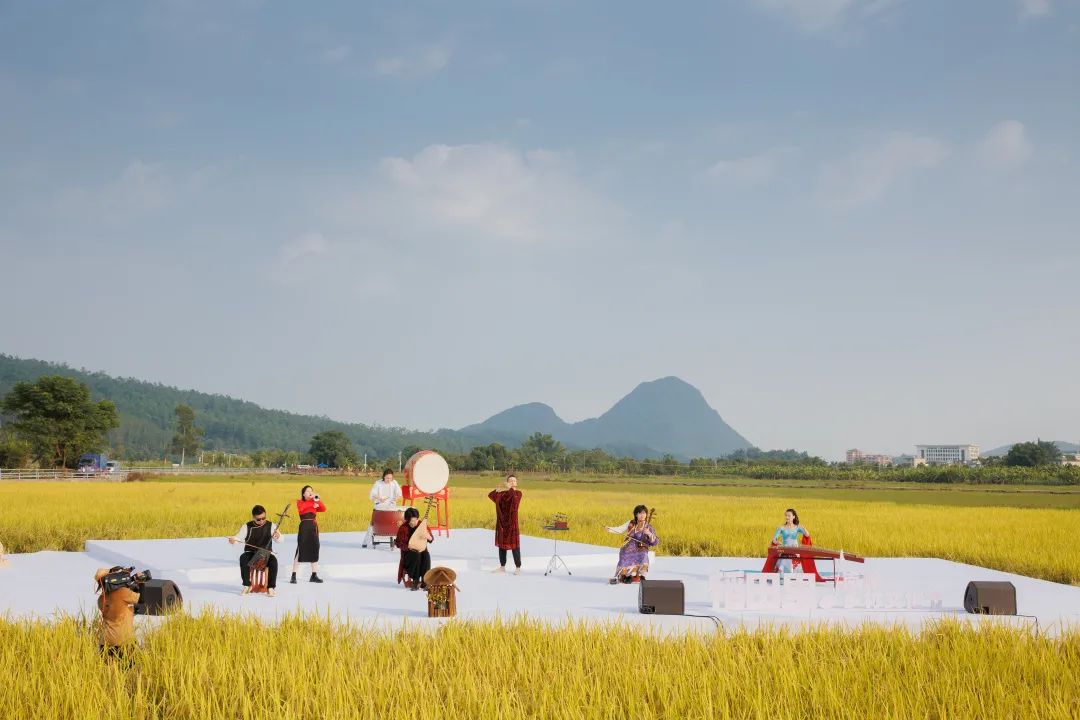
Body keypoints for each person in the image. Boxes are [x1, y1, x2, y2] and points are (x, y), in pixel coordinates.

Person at [229, 504, 282, 596]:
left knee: (273, 561)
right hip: (251, 552)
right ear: (253, 517)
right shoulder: (246, 526)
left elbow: (280, 540)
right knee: (243, 558)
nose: (261, 521)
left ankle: (271, 588)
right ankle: (247, 585)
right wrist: (233, 540)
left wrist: (278, 536)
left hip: (265, 554)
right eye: (258, 519)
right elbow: (238, 538)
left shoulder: (271, 526)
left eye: (263, 518)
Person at [94, 567, 140, 658]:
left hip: (105, 642)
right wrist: (140, 582)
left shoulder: (101, 599)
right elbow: (140, 599)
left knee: (106, 666)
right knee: (129, 665)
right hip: (124, 640)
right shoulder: (123, 592)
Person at [611, 505, 659, 584]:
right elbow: (620, 529)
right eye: (639, 513)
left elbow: (655, 541)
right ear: (636, 514)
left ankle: (638, 576)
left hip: (641, 547)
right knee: (625, 553)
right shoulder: (631, 523)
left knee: (643, 555)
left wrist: (649, 533)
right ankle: (625, 576)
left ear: (646, 514)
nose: (642, 515)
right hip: (629, 546)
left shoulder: (648, 527)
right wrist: (609, 529)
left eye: (644, 513)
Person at [290, 485, 326, 584]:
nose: (310, 492)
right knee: (300, 549)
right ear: (303, 494)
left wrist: (317, 500)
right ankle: (293, 575)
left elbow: (323, 509)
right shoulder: (299, 502)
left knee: (314, 549)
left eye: (311, 491)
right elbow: (302, 509)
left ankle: (314, 575)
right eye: (308, 491)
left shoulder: (314, 501)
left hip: (313, 528)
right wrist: (312, 503)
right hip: (304, 527)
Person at [488, 474, 522, 574]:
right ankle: (502, 567)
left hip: (512, 524)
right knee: (502, 546)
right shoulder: (502, 494)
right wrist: (497, 489)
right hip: (502, 524)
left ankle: (518, 567)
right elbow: (491, 495)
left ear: (516, 483)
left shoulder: (518, 493)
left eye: (514, 481)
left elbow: (514, 499)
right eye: (510, 481)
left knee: (515, 546)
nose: (512, 482)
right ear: (507, 482)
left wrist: (510, 488)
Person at [362, 468, 403, 548]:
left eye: (390, 478)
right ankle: (365, 542)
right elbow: (372, 494)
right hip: (380, 506)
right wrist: (379, 498)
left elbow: (399, 493)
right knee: (373, 524)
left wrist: (397, 497)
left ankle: (397, 541)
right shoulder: (378, 483)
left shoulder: (394, 483)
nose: (389, 480)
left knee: (394, 523)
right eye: (387, 478)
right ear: (384, 476)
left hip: (391, 506)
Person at [395, 506, 433, 590]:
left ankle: (425, 581)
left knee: (426, 555)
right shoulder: (403, 528)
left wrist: (428, 536)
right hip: (408, 554)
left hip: (421, 551)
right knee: (416, 555)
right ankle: (415, 581)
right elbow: (398, 543)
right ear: (407, 520)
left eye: (415, 520)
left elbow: (431, 539)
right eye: (411, 521)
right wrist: (409, 547)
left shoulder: (421, 525)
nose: (414, 522)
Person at [770, 508, 810, 574]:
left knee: (794, 567)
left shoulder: (797, 527)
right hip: (785, 550)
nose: (787, 517)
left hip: (795, 550)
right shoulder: (781, 528)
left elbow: (807, 535)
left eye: (789, 516)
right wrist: (778, 543)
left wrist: (804, 528)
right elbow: (774, 539)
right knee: (784, 560)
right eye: (786, 515)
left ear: (793, 517)